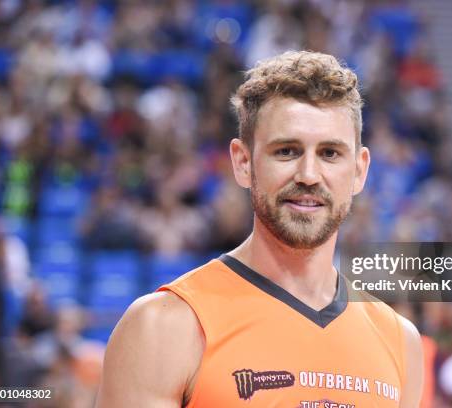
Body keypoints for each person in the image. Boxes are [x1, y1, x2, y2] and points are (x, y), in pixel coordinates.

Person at [96, 50, 423, 407]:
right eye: (286, 151)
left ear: (359, 170)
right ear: (242, 162)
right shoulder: (165, 327)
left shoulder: (400, 342)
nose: (309, 175)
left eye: (330, 153)